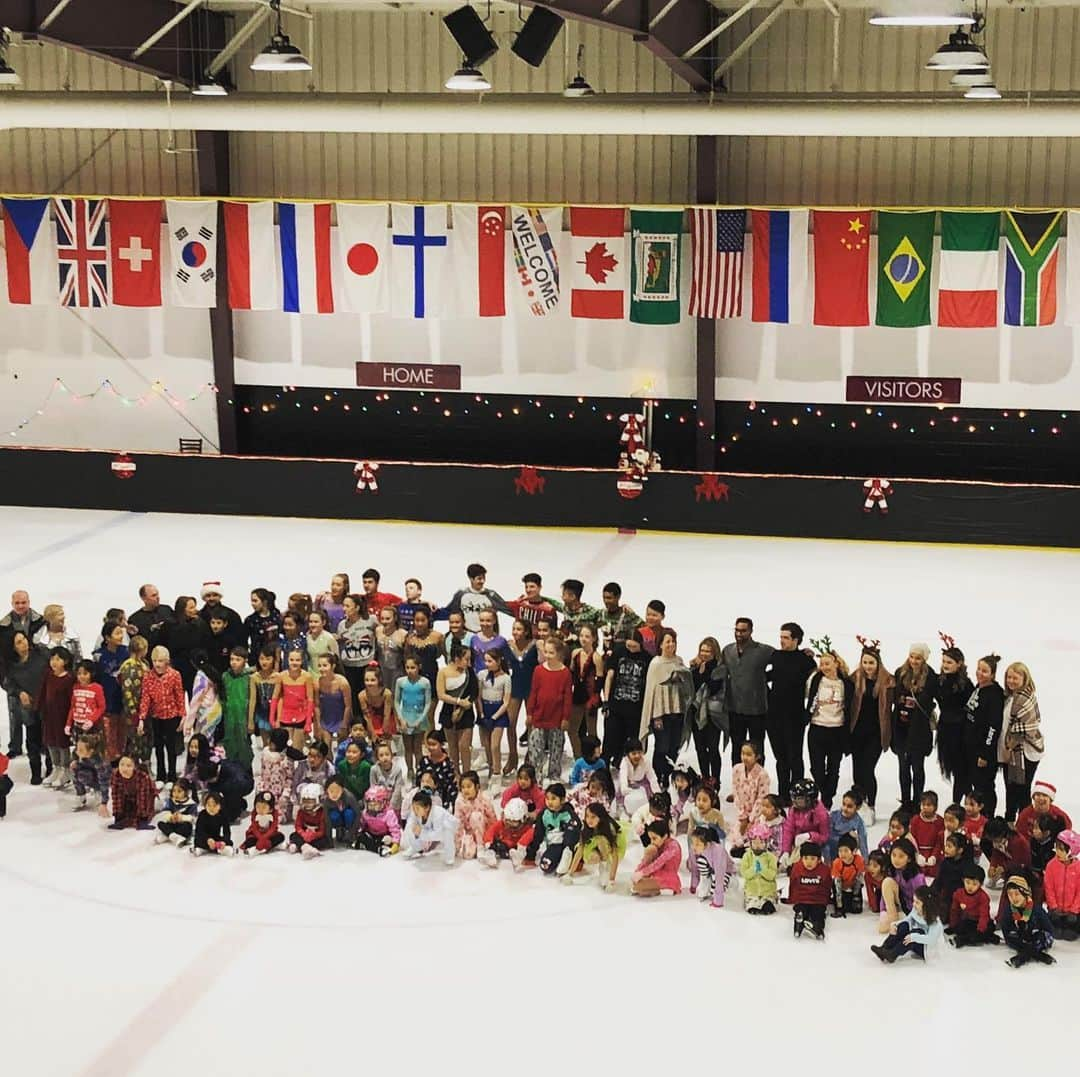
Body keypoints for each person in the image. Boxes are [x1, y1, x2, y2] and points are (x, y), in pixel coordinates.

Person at [847, 640, 893, 827]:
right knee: (857, 770)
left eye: (871, 663)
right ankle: (858, 804)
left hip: (876, 733)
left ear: (878, 663)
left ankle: (871, 805)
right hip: (857, 731)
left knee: (868, 769)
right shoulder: (854, 678)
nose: (868, 667)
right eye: (865, 662)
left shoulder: (888, 681)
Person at [639, 628, 692, 788]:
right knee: (662, 746)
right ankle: (657, 777)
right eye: (667, 641)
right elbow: (651, 692)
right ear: (660, 644)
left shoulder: (679, 661)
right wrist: (654, 716)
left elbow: (686, 687)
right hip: (660, 714)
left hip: (677, 712)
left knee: (674, 746)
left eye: (673, 641)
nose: (671, 645)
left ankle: (670, 777)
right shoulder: (655, 664)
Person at [803, 646, 852, 811]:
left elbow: (849, 706)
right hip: (817, 728)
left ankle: (827, 798)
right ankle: (821, 794)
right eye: (821, 664)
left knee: (833, 768)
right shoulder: (816, 679)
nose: (824, 667)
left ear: (836, 663)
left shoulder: (845, 683)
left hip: (836, 730)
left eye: (827, 663)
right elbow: (810, 699)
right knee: (816, 768)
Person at [722, 617, 774, 769]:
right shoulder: (728, 650)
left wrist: (764, 678)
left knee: (757, 748)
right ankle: (738, 783)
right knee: (737, 748)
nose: (739, 633)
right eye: (737, 630)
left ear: (751, 631)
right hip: (734, 709)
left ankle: (758, 783)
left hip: (757, 710)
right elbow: (719, 671)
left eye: (743, 630)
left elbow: (782, 661)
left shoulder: (763, 650)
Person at [1000, 661, 1044, 823]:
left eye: (1015, 678)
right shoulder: (1010, 697)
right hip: (1010, 752)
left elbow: (1028, 727)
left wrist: (1010, 745)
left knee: (1021, 789)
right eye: (1008, 677)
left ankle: (1026, 823)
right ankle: (1010, 820)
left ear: (1024, 679)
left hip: (1025, 752)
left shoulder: (1023, 699)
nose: (1010, 681)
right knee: (1011, 788)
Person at [602, 630, 651, 769]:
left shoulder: (647, 659)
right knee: (610, 738)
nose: (630, 649)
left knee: (629, 742)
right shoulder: (619, 652)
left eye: (634, 647)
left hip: (635, 710)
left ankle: (622, 765)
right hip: (616, 706)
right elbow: (610, 676)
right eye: (628, 646)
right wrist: (605, 701)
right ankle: (604, 767)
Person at [964, 653, 1005, 818]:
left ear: (993, 674)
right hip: (971, 748)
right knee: (977, 784)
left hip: (983, 752)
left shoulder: (995, 695)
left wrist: (985, 753)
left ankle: (987, 816)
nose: (980, 673)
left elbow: (993, 727)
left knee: (985, 787)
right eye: (979, 669)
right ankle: (976, 816)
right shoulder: (979, 687)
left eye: (985, 671)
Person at [526, 637, 572, 783]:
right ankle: (536, 776)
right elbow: (533, 692)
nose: (547, 655)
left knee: (556, 749)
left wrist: (565, 717)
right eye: (545, 652)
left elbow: (567, 697)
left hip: (557, 717)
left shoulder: (565, 673)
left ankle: (554, 774)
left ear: (559, 654)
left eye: (551, 653)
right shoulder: (538, 670)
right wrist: (529, 713)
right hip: (539, 715)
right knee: (535, 748)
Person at [137, 645, 186, 783]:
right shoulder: (148, 676)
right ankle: (160, 775)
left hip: (171, 716)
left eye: (160, 661)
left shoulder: (175, 675)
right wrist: (141, 718)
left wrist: (183, 715)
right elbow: (145, 697)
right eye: (155, 661)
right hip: (156, 716)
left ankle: (171, 775)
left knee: (171, 747)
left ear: (167, 661)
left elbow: (179, 696)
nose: (157, 664)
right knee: (158, 746)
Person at [934, 638, 974, 806]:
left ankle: (961, 803)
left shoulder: (966, 684)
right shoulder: (940, 680)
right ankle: (960, 803)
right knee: (954, 767)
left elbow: (972, 709)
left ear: (959, 664)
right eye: (944, 661)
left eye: (949, 662)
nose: (945, 664)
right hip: (945, 730)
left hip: (961, 732)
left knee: (961, 771)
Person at [4, 632, 47, 782]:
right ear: (13, 647)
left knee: (47, 737)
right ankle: (35, 771)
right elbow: (7, 683)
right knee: (32, 739)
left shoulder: (41, 655)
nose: (23, 644)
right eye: (18, 643)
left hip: (45, 703)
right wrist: (19, 692)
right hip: (27, 706)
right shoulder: (11, 665)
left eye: (24, 640)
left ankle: (50, 768)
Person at [684, 637, 726, 783]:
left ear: (715, 652)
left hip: (713, 715)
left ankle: (715, 779)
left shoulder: (720, 668)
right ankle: (704, 777)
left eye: (708, 651)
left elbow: (714, 688)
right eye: (702, 650)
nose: (704, 653)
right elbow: (691, 688)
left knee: (713, 749)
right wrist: (694, 669)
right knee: (700, 749)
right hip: (697, 714)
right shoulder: (695, 667)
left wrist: (705, 670)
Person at [436, 643, 479, 779]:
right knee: (452, 746)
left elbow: (474, 691)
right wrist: (457, 702)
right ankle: (455, 773)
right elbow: (441, 694)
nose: (469, 662)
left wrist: (462, 707)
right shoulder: (443, 672)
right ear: (456, 658)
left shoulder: (469, 672)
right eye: (466, 659)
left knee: (464, 746)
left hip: (466, 711)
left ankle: (467, 773)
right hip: (448, 711)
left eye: (470, 659)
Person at [871, 885, 942, 963]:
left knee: (917, 931)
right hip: (913, 939)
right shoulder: (916, 910)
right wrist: (895, 925)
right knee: (904, 925)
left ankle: (893, 954)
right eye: (914, 901)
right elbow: (907, 920)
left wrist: (914, 937)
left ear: (926, 905)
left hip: (926, 948)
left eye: (917, 903)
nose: (914, 904)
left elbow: (931, 939)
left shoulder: (935, 922)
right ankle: (884, 948)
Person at [1000, 870, 1056, 968]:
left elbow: (1049, 930)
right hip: (1019, 939)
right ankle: (1038, 955)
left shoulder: (1036, 909)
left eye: (1017, 894)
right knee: (1015, 940)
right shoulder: (1008, 910)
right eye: (1010, 894)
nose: (1013, 898)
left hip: (1036, 937)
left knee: (1040, 938)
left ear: (1025, 893)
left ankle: (1022, 958)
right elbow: (1006, 931)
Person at [504, 619, 537, 776]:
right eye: (514, 628)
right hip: (514, 687)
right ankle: (512, 756)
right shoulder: (508, 646)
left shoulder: (535, 645)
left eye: (519, 629)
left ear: (526, 631)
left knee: (531, 724)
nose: (515, 632)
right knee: (509, 723)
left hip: (531, 687)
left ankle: (530, 756)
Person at [92, 620, 129, 758]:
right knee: (109, 734)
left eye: (121, 633)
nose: (120, 636)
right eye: (117, 633)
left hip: (123, 699)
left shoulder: (126, 652)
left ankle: (123, 760)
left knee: (123, 732)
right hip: (107, 700)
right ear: (107, 637)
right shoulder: (98, 656)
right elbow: (95, 680)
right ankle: (110, 762)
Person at [162, 596, 212, 696]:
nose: (195, 610)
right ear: (182, 609)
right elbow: (165, 643)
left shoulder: (199, 623)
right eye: (191, 608)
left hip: (194, 666)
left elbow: (206, 642)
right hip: (176, 665)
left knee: (194, 696)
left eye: (195, 607)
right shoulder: (170, 624)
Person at [39, 646, 75, 787]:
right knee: (50, 741)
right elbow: (42, 692)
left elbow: (71, 699)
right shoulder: (48, 675)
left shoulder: (69, 678)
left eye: (58, 659)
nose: (54, 662)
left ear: (65, 661)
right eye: (52, 658)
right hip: (49, 715)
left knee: (62, 743)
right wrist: (40, 708)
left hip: (62, 716)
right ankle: (56, 768)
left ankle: (65, 770)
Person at [567, 624, 603, 760]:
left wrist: (595, 700)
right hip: (577, 696)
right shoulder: (575, 653)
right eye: (582, 636)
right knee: (572, 730)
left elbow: (599, 681)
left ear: (594, 638)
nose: (583, 639)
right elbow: (570, 674)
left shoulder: (596, 657)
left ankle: (595, 758)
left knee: (592, 732)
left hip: (590, 698)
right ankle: (579, 757)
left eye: (587, 636)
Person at [477, 649, 511, 785]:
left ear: (498, 661)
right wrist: (481, 714)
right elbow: (478, 697)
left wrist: (494, 717)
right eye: (485, 660)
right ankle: (491, 767)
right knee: (486, 744)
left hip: (498, 712)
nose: (487, 664)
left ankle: (497, 771)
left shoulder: (506, 678)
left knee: (494, 745)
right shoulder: (482, 675)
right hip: (484, 709)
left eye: (490, 661)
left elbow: (506, 701)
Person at [270, 648, 315, 751]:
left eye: (297, 660)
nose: (294, 663)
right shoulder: (281, 676)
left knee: (297, 750)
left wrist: (308, 722)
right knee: (283, 749)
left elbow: (310, 700)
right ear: (287, 659)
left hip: (301, 716)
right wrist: (272, 718)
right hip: (285, 715)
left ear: (302, 661)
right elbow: (275, 697)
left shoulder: (307, 677)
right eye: (292, 660)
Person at [879, 838, 927, 933]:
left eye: (901, 856)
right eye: (894, 855)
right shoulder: (892, 870)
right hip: (898, 904)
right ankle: (893, 917)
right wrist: (883, 911)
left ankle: (900, 921)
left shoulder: (916, 877)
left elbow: (922, 900)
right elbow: (885, 894)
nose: (896, 859)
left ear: (909, 858)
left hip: (911, 909)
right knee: (887, 882)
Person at [337, 593, 379, 702]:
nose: (344, 609)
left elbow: (381, 632)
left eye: (347, 606)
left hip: (366, 665)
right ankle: (356, 717)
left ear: (357, 607)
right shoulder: (342, 625)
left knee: (369, 694)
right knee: (353, 695)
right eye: (343, 605)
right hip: (349, 666)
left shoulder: (371, 620)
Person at [731, 741, 771, 851]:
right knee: (737, 839)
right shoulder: (736, 769)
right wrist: (743, 816)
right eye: (743, 753)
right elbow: (736, 792)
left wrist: (751, 819)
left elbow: (761, 799)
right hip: (742, 812)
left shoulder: (763, 775)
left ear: (757, 756)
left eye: (749, 754)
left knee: (756, 837)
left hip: (757, 814)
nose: (745, 757)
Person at [946, 862, 998, 947]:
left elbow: (984, 915)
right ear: (963, 880)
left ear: (980, 884)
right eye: (967, 882)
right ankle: (985, 937)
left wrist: (980, 930)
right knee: (959, 929)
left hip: (982, 922)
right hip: (968, 921)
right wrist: (953, 925)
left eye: (974, 884)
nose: (970, 886)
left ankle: (964, 940)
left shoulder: (983, 897)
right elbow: (954, 910)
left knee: (982, 932)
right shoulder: (958, 893)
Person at [402, 789, 458, 865]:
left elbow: (438, 835)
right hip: (430, 829)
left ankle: (449, 856)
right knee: (413, 829)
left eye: (417, 808)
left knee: (447, 833)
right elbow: (410, 826)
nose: (415, 811)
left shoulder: (438, 813)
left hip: (449, 828)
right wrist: (415, 833)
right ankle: (415, 848)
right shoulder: (416, 813)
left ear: (427, 808)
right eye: (413, 807)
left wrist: (421, 833)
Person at [780, 779, 830, 863]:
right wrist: (786, 851)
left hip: (816, 844)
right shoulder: (794, 809)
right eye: (794, 798)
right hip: (797, 843)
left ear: (810, 799)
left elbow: (824, 837)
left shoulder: (821, 814)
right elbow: (788, 830)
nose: (795, 802)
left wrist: (809, 836)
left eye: (799, 799)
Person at [789, 841, 831, 940]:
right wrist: (792, 899)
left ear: (819, 860)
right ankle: (798, 924)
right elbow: (793, 884)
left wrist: (826, 900)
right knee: (801, 910)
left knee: (818, 913)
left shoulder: (824, 870)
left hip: (818, 900)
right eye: (805, 858)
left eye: (812, 859)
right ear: (801, 858)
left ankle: (817, 928)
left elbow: (827, 885)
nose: (808, 862)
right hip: (801, 899)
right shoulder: (797, 868)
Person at [1043, 829, 1080, 940]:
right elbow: (1049, 888)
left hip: (1073, 912)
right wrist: (1053, 907)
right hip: (1056, 911)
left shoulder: (1078, 868)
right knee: (1055, 932)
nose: (1057, 852)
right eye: (1057, 847)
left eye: (1062, 849)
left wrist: (1074, 910)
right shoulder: (1051, 866)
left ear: (1072, 851)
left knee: (1071, 934)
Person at [631, 818, 682, 897]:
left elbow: (658, 863)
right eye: (650, 838)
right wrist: (637, 871)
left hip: (669, 877)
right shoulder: (659, 844)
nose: (652, 841)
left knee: (637, 887)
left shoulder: (673, 846)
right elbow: (646, 860)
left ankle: (665, 889)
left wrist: (642, 873)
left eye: (654, 838)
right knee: (650, 849)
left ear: (664, 836)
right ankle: (654, 889)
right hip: (658, 872)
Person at [688, 824, 734, 908]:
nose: (694, 847)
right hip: (709, 868)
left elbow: (719, 875)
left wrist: (718, 900)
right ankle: (706, 881)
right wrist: (694, 884)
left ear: (707, 844)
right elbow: (694, 867)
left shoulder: (718, 851)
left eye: (697, 844)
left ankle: (728, 882)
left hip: (724, 871)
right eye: (693, 843)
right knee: (700, 861)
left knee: (714, 890)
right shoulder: (693, 849)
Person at [454, 769, 497, 859]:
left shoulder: (484, 798)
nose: (465, 790)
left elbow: (493, 819)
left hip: (485, 832)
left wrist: (495, 837)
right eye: (463, 787)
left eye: (469, 786)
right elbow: (458, 824)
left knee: (476, 816)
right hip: (471, 833)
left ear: (477, 787)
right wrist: (456, 846)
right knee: (468, 855)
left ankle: (481, 846)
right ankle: (475, 845)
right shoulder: (459, 802)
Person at [257, 728, 297, 824]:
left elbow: (289, 778)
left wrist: (286, 793)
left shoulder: (286, 759)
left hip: (281, 795)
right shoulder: (265, 754)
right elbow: (262, 772)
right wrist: (260, 787)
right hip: (266, 790)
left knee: (278, 820)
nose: (268, 741)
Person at [314, 653, 352, 751]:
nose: (322, 668)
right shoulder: (317, 683)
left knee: (342, 750)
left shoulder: (342, 682)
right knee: (326, 750)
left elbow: (348, 706)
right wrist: (318, 724)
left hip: (340, 718)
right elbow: (317, 706)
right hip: (325, 719)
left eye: (325, 665)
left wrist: (344, 724)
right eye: (319, 666)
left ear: (333, 666)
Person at [739, 822, 779, 914]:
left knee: (769, 903)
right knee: (752, 904)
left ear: (766, 842)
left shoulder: (771, 857)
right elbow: (745, 874)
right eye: (754, 842)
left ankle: (768, 904)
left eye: (761, 842)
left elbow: (772, 875)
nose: (757, 845)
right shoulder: (747, 856)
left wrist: (762, 869)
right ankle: (753, 906)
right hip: (752, 891)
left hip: (768, 891)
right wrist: (753, 869)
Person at [109, 753, 156, 830]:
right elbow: (116, 796)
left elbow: (143, 798)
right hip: (128, 795)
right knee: (126, 817)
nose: (124, 769)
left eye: (129, 766)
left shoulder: (142, 777)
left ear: (135, 767)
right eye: (122, 764)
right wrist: (118, 816)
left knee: (138, 817)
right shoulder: (116, 775)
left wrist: (143, 818)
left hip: (146, 796)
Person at [183, 650, 222, 742]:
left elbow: (196, 701)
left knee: (203, 743)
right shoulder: (212, 674)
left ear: (192, 663)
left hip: (207, 713)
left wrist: (188, 725)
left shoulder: (201, 677)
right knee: (209, 741)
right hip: (216, 710)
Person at [595, 583, 642, 657]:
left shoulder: (627, 615)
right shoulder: (601, 614)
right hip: (606, 655)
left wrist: (632, 613)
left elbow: (645, 627)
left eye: (609, 598)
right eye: (604, 598)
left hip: (623, 656)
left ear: (618, 597)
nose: (606, 601)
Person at [69, 733, 111, 815]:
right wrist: (75, 762)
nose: (77, 751)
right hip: (88, 771)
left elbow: (104, 781)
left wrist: (104, 802)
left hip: (100, 778)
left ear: (91, 751)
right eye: (77, 748)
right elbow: (75, 757)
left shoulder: (100, 761)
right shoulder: (76, 754)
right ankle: (81, 795)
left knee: (85, 776)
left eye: (81, 750)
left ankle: (97, 791)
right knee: (74, 769)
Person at [826, 788, 869, 862]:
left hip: (844, 849)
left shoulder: (858, 821)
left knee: (855, 839)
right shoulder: (834, 816)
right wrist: (846, 834)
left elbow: (863, 842)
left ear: (858, 807)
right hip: (830, 846)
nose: (845, 808)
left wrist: (866, 861)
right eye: (844, 804)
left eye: (849, 806)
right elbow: (826, 835)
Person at [289, 783, 331, 859]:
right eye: (305, 801)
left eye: (310, 801)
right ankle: (304, 846)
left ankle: (300, 846)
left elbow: (322, 831)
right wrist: (303, 834)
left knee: (325, 841)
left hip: (316, 835)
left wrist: (313, 835)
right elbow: (298, 826)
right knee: (293, 835)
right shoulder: (301, 812)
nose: (307, 804)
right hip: (304, 834)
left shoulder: (322, 813)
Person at [910, 790, 946, 877]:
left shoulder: (940, 821)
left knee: (938, 871)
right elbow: (911, 839)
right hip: (919, 851)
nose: (925, 807)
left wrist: (934, 856)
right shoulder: (915, 820)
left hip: (933, 852)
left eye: (928, 805)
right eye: (923, 805)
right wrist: (917, 854)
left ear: (935, 807)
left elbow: (939, 841)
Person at [153, 777, 197, 847]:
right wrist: (171, 817)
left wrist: (181, 817)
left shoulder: (191, 804)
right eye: (174, 791)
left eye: (179, 791)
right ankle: (173, 836)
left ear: (186, 792)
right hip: (172, 823)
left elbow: (193, 818)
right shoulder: (170, 801)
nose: (176, 794)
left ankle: (167, 835)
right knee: (160, 823)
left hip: (183, 825)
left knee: (187, 828)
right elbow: (165, 811)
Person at [197, 583, 243, 649]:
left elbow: (240, 639)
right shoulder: (199, 616)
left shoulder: (232, 615)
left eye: (215, 595)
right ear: (204, 598)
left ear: (220, 596)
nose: (211, 598)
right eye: (208, 596)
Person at [368, 739, 407, 816]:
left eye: (387, 754)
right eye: (381, 755)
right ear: (377, 758)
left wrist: (390, 806)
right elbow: (373, 787)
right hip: (379, 802)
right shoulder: (374, 769)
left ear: (392, 756)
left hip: (394, 802)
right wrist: (380, 804)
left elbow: (397, 790)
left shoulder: (397, 769)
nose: (384, 757)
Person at [830, 834, 866, 917]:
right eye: (840, 851)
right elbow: (837, 882)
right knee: (842, 908)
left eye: (846, 850)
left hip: (854, 886)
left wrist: (855, 895)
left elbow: (859, 877)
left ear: (854, 851)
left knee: (856, 910)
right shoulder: (837, 863)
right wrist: (839, 905)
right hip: (840, 886)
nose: (842, 854)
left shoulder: (859, 860)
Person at [240, 791, 284, 855]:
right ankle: (269, 846)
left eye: (264, 807)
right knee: (250, 841)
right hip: (256, 835)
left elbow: (273, 828)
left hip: (269, 835)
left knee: (280, 837)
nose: (260, 810)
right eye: (258, 807)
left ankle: (258, 849)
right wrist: (261, 838)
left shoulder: (274, 813)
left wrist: (264, 838)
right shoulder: (254, 813)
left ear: (270, 809)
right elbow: (254, 828)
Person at [244, 588, 283, 659]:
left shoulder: (276, 616)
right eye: (251, 601)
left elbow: (283, 634)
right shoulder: (250, 620)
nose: (252, 604)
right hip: (256, 659)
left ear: (264, 602)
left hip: (275, 658)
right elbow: (243, 641)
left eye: (255, 601)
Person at [324, 776, 360, 846]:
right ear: (326, 791)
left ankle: (349, 833)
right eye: (331, 791)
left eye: (337, 791)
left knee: (349, 813)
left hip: (348, 818)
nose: (334, 794)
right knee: (333, 815)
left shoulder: (349, 797)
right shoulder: (326, 801)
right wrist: (329, 840)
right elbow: (327, 821)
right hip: (338, 819)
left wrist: (351, 832)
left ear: (342, 789)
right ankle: (339, 831)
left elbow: (357, 814)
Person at [305, 610, 339, 675]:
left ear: (323, 622)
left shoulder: (329, 638)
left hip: (326, 675)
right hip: (311, 674)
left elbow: (336, 660)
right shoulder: (306, 638)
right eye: (311, 622)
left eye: (316, 622)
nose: (313, 624)